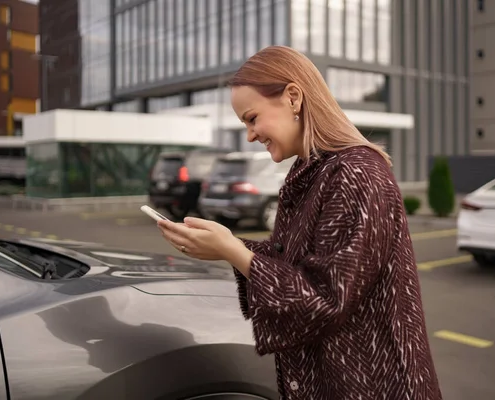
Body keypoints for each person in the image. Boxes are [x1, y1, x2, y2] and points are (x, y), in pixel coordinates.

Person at [157, 45, 443, 400]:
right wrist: (231, 245)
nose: (250, 135)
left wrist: (233, 251)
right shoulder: (312, 172)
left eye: (251, 118)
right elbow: (299, 266)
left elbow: (325, 297)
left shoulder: (355, 173)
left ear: (293, 97)